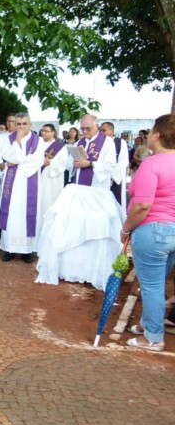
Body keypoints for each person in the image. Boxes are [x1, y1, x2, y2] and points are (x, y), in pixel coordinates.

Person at [122, 114, 175, 352]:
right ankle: (147, 325)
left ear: (158, 135)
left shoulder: (151, 164)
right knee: (157, 282)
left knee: (152, 285)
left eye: (152, 131)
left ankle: (153, 337)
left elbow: (142, 205)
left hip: (154, 230)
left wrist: (126, 229)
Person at [0, 112, 44, 262]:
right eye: (19, 124)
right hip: (12, 182)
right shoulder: (7, 139)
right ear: (15, 125)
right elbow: (7, 157)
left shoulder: (38, 140)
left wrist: (16, 161)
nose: (22, 127)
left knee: (28, 214)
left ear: (30, 124)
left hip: (30, 181)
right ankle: (9, 248)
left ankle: (27, 251)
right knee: (11, 214)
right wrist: (17, 140)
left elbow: (36, 161)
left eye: (25, 123)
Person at [69, 114, 116, 189]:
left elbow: (110, 165)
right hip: (79, 185)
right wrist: (74, 164)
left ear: (97, 126)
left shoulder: (107, 142)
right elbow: (69, 163)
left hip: (97, 186)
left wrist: (90, 164)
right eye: (82, 128)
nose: (84, 131)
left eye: (88, 128)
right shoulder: (79, 143)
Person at [39, 124, 68, 223]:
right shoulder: (38, 144)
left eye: (46, 131)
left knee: (49, 201)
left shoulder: (60, 147)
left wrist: (51, 162)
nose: (43, 133)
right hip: (38, 176)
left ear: (53, 133)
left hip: (52, 180)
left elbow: (64, 163)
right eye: (42, 131)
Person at [99, 121, 129, 210]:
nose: (101, 133)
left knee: (116, 201)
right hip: (102, 176)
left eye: (104, 130)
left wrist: (112, 174)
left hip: (115, 177)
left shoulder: (120, 142)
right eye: (100, 130)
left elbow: (123, 161)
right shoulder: (99, 143)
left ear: (112, 131)